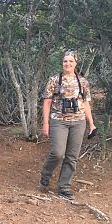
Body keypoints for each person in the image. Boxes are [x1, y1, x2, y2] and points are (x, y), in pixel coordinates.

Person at [39, 48, 96, 200]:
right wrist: (46, 123)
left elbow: (86, 104)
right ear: (62, 62)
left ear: (76, 63)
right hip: (58, 121)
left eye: (71, 61)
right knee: (58, 153)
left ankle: (64, 187)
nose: (68, 63)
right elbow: (47, 102)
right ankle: (46, 174)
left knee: (72, 156)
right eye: (65, 61)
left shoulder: (83, 82)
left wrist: (91, 124)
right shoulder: (54, 80)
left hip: (78, 122)